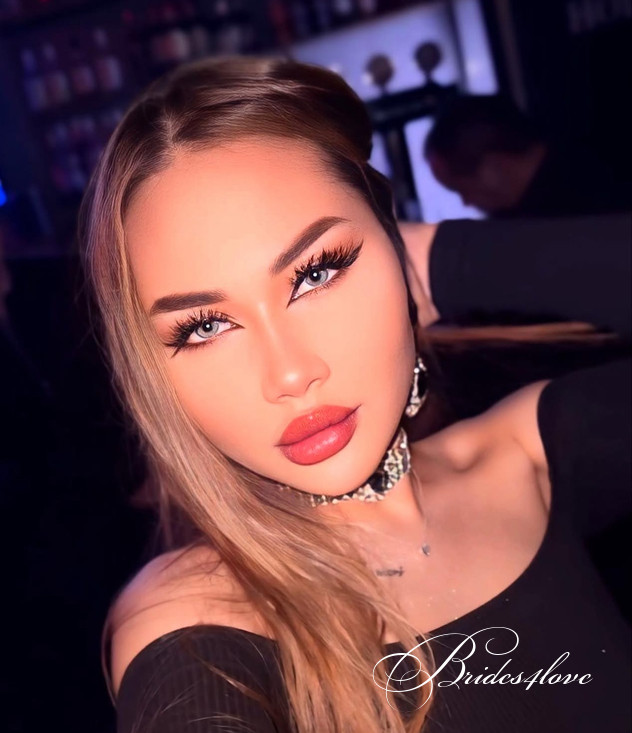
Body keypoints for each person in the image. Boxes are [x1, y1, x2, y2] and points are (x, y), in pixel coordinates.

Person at [78, 56, 630, 732]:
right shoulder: (194, 624)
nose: (289, 374)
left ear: (393, 245)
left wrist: (445, 262)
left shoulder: (526, 457)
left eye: (316, 273)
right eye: (205, 327)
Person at [424, 94, 630, 218]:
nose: (466, 202)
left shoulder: (550, 222)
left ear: (493, 165)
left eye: (463, 189)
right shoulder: (592, 153)